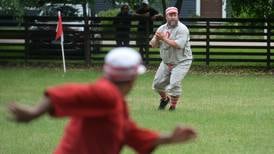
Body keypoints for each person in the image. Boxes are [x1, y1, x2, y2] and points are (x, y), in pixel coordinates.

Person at [7, 47, 196, 154]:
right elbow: (64, 92)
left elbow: (129, 132)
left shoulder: (115, 101)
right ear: (132, 80)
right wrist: (34, 113)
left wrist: (168, 138)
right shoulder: (105, 93)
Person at [149, 7, 193, 111]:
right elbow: (152, 45)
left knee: (174, 84)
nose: (173, 17)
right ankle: (164, 99)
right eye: (170, 15)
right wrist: (157, 38)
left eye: (175, 15)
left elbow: (179, 45)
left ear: (177, 16)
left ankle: (173, 107)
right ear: (166, 16)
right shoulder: (161, 29)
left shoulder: (182, 29)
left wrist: (164, 39)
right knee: (157, 85)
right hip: (166, 62)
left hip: (182, 61)